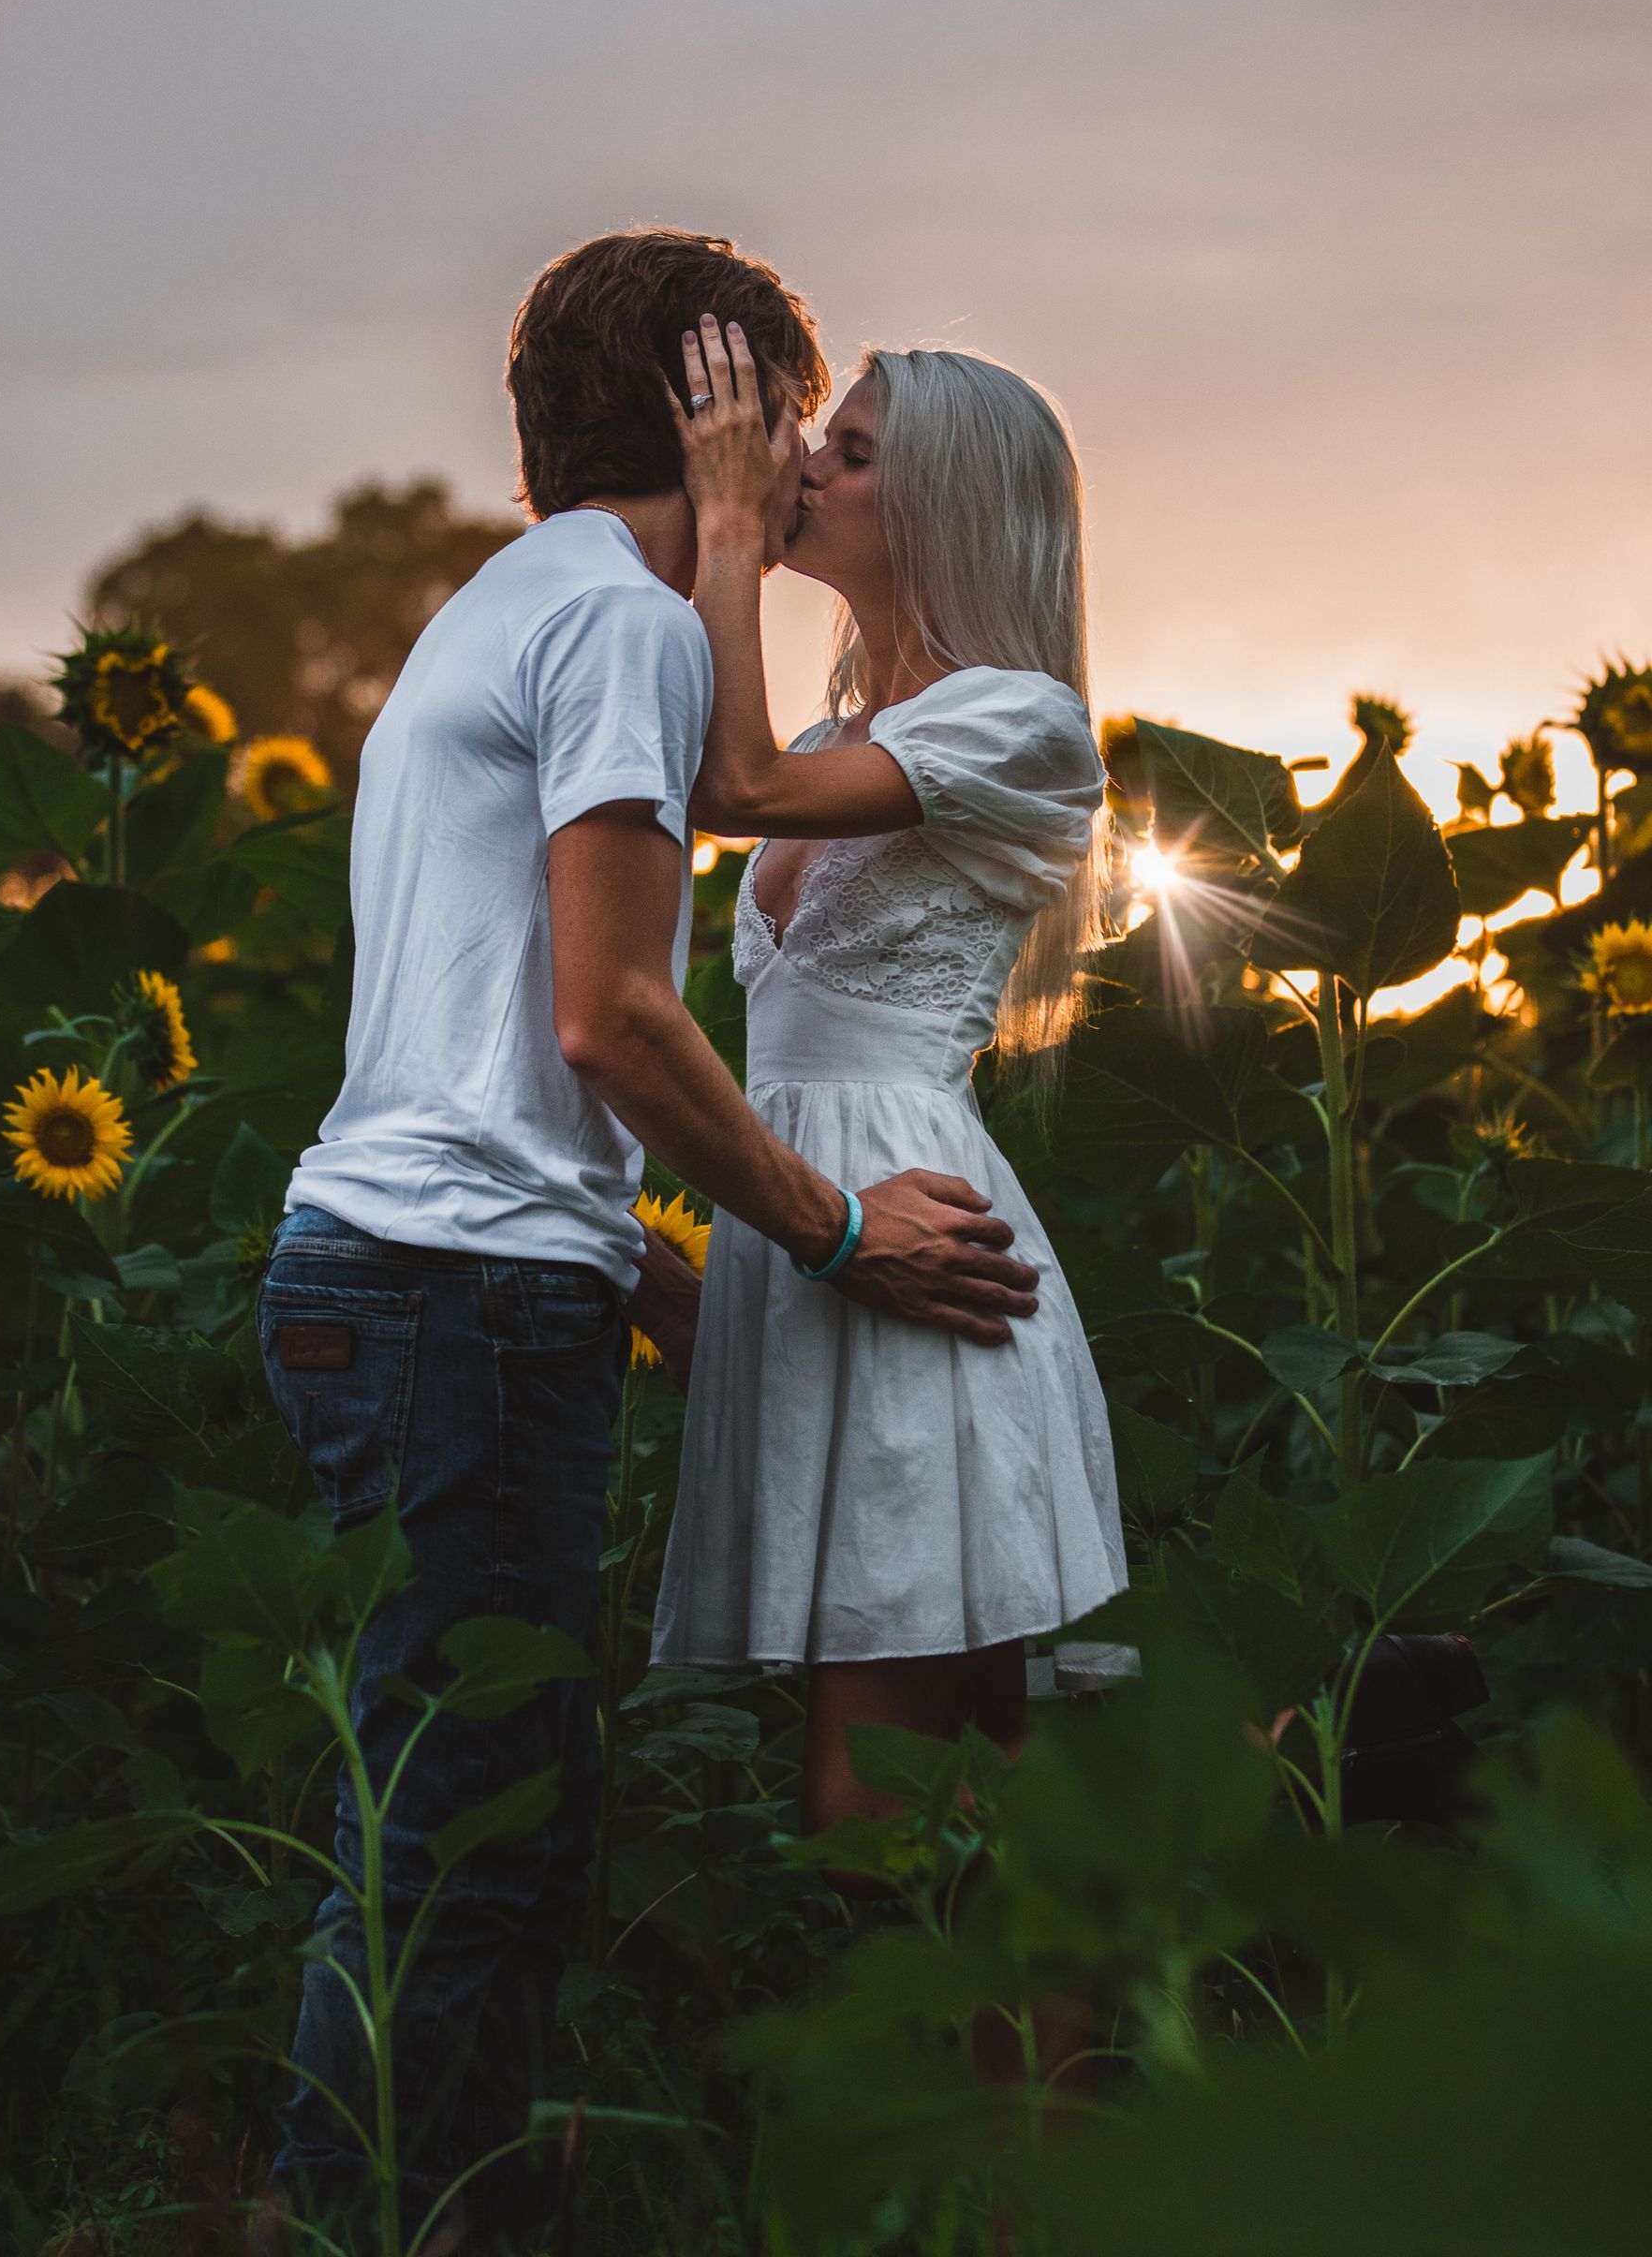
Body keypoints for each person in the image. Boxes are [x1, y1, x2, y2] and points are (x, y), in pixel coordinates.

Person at [258, 230, 1040, 2252]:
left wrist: (664, 1274)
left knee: (437, 1814)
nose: (804, 459)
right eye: (799, 409)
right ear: (726, 403)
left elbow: (492, 1028)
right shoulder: (625, 628)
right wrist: (835, 1228)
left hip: (415, 1269)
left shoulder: (512, 601)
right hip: (462, 1299)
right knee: (466, 1848)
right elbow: (609, 1017)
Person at [651, 323, 1128, 1825]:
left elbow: (732, 792)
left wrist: (727, 527)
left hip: (920, 1253)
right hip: (812, 1247)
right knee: (967, 1788)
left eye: (849, 453)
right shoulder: (834, 726)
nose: (803, 468)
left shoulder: (1019, 721)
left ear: (945, 511)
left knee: (882, 1812)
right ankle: (1077, 2040)